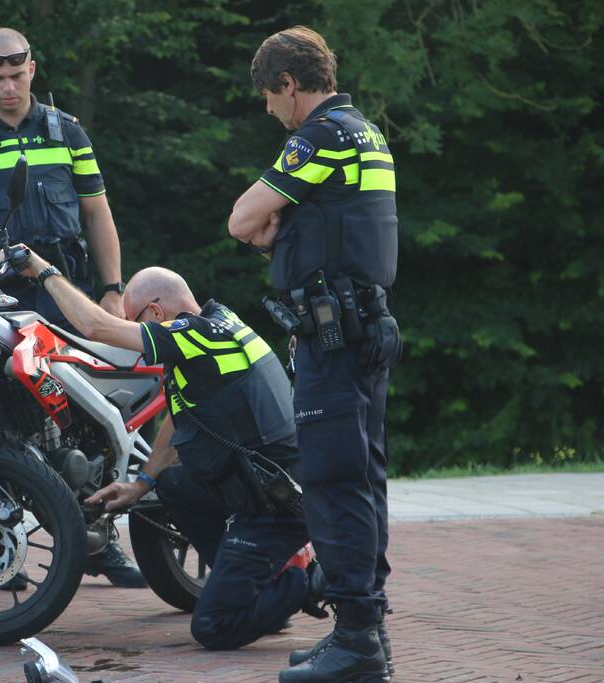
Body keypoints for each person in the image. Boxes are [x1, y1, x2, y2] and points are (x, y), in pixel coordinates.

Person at [9, 246, 327, 650]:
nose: (132, 332)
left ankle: (306, 580)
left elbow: (95, 327)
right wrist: (141, 484)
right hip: (266, 484)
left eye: (135, 320)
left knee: (212, 627)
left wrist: (41, 270)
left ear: (157, 314)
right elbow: (183, 415)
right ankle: (259, 585)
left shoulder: (194, 335)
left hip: (273, 506)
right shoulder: (219, 321)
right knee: (172, 484)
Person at [0, 27, 143, 588]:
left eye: (16, 76)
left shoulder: (67, 130)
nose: (7, 88)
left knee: (82, 425)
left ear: (33, 71)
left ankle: (99, 539)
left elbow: (98, 214)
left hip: (63, 297)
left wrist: (113, 289)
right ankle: (3, 545)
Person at [227, 26, 401, 682]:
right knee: (362, 480)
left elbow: (241, 218)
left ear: (288, 85)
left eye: (268, 97)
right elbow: (339, 226)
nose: (268, 110)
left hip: (336, 338)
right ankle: (367, 633)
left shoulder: (321, 135)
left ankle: (356, 640)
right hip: (364, 329)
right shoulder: (365, 131)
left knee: (332, 482)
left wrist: (274, 229)